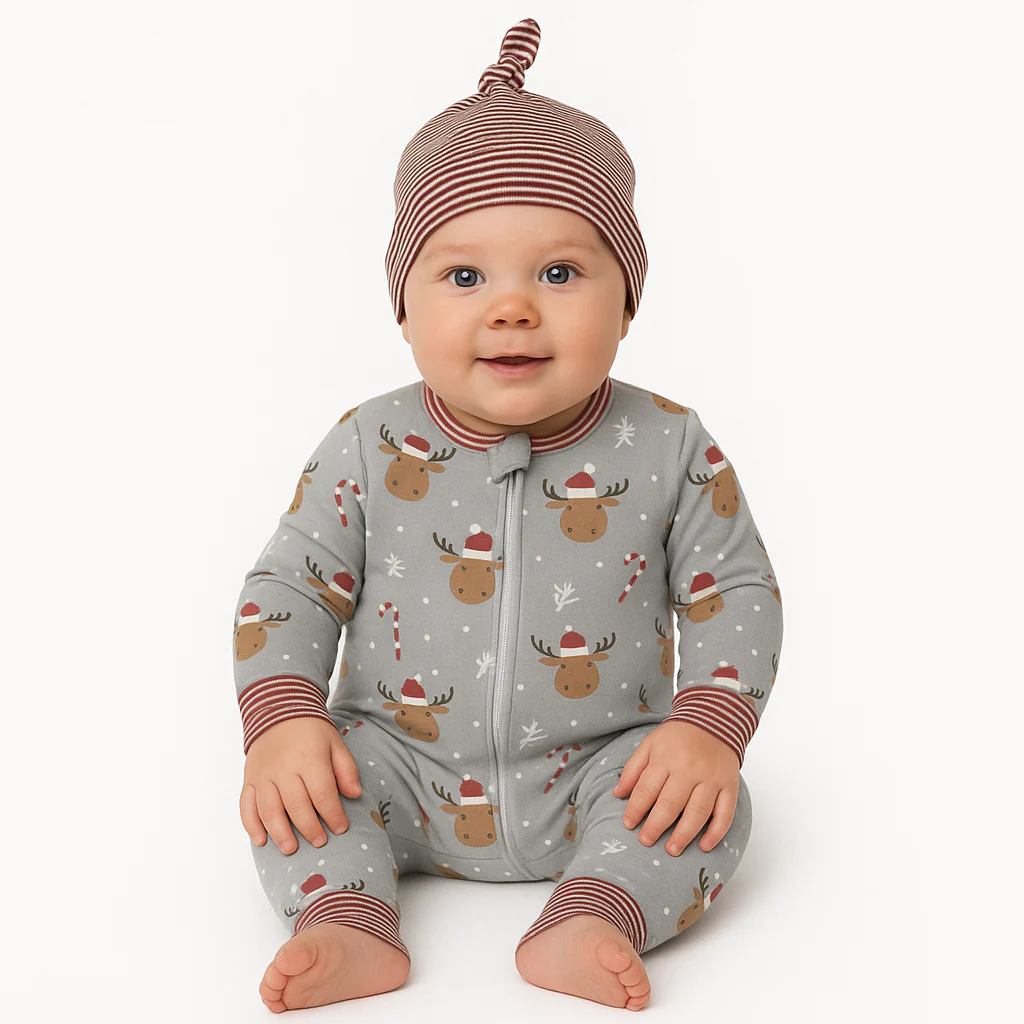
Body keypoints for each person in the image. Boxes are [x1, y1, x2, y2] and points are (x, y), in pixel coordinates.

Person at [232, 17, 784, 1013]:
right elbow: (291, 585)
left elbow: (733, 590)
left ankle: (596, 910)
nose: (513, 307)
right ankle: (345, 917)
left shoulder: (669, 445)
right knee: (300, 794)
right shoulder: (367, 442)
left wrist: (708, 728)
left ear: (628, 303)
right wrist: (283, 722)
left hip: (603, 768)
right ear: (404, 308)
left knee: (710, 805)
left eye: (560, 273)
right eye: (464, 275)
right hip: (395, 764)